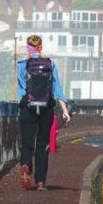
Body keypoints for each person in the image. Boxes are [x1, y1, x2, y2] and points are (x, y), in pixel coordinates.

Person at [17, 34, 71, 190]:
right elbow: (57, 88)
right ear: (40, 47)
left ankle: (26, 164)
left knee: (27, 143)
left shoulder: (21, 65)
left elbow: (21, 89)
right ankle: (40, 182)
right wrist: (65, 110)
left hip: (28, 107)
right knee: (43, 144)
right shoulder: (50, 64)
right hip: (46, 108)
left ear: (27, 47)